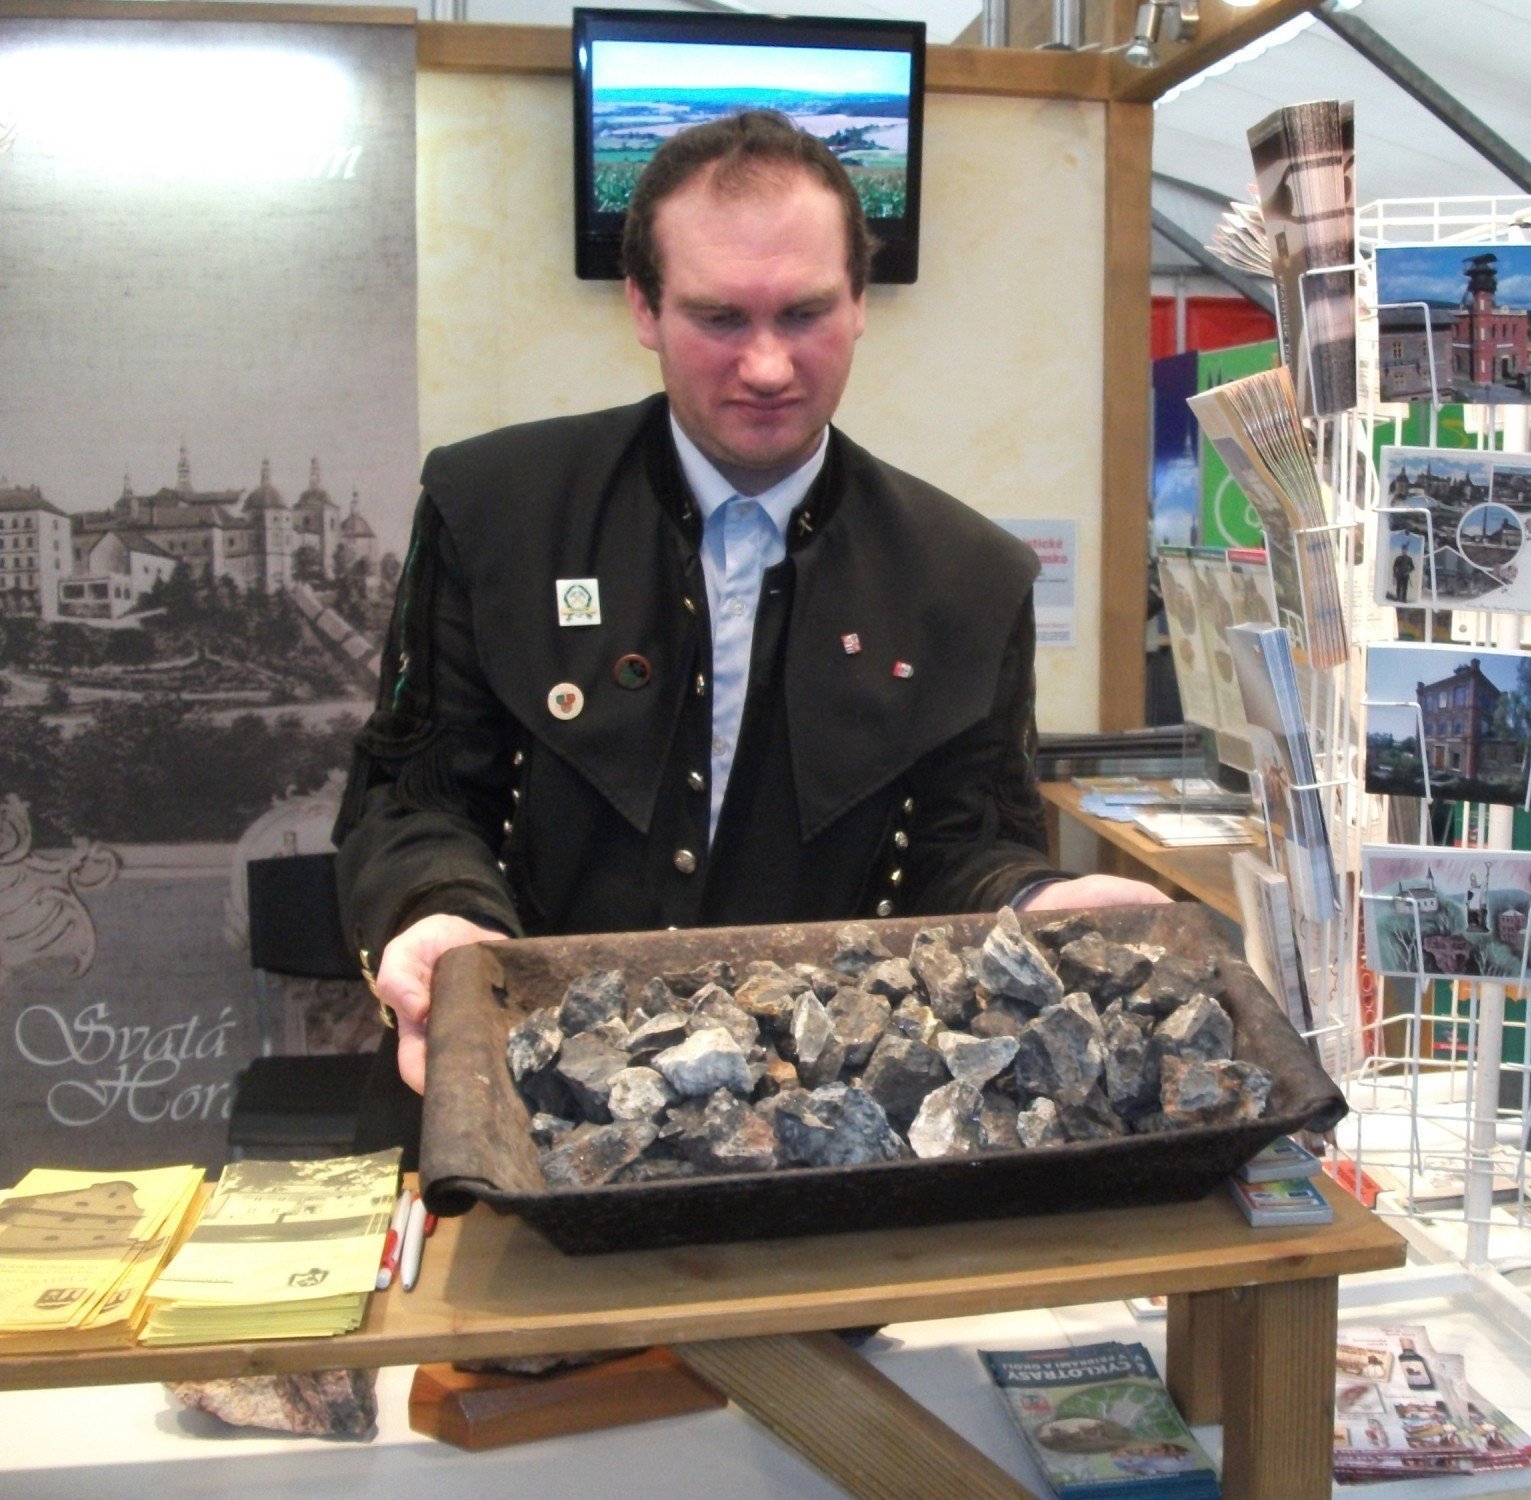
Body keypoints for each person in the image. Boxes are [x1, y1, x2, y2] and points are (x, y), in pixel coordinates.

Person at [334, 111, 1164, 1114]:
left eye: (804, 314)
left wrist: (1038, 903)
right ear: (643, 306)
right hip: (531, 1091)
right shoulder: (493, 512)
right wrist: (435, 918)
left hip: (828, 1118)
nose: (767, 367)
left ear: (860, 303)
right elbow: (413, 799)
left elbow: (963, 848)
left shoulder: (966, 578)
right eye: (720, 318)